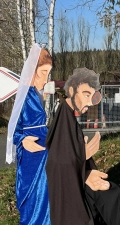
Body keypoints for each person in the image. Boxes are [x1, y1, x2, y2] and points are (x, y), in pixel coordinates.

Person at [45, 68, 120, 225]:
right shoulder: (64, 119)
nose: (90, 102)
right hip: (71, 194)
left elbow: (69, 156)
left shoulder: (69, 117)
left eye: (92, 96)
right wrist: (84, 156)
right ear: (72, 90)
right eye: (86, 95)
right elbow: (59, 162)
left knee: (113, 193)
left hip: (79, 178)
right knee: (111, 195)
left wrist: (86, 168)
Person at [6, 44, 52, 225]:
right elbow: (14, 127)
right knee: (33, 196)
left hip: (44, 154)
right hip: (32, 156)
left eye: (49, 72)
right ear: (34, 70)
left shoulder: (37, 93)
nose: (47, 77)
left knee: (46, 193)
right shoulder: (25, 95)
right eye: (44, 71)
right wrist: (22, 139)